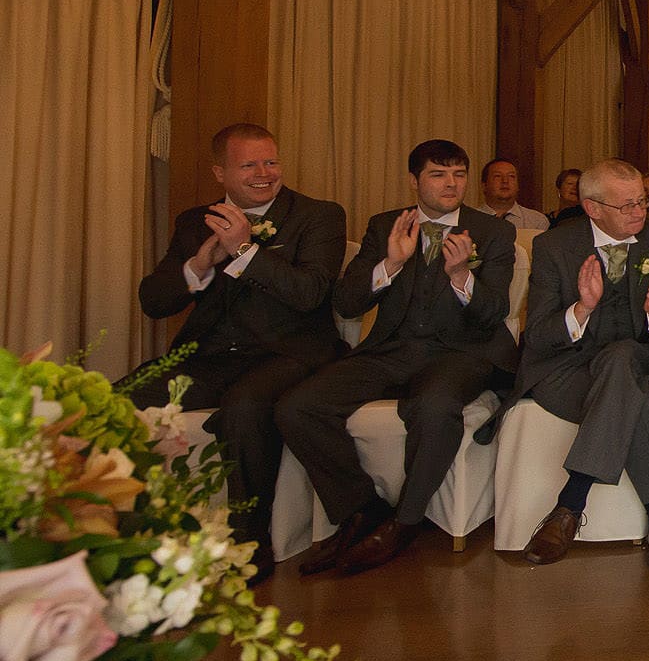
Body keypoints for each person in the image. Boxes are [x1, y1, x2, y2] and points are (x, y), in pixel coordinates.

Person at [276, 141, 518, 574]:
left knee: (435, 405)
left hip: (463, 351)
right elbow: (348, 303)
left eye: (459, 175)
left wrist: (462, 276)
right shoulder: (385, 225)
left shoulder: (492, 232)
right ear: (414, 181)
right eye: (438, 175)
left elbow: (493, 314)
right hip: (392, 348)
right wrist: (389, 264)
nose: (451, 184)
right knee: (297, 406)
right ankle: (361, 508)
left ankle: (404, 522)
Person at [128, 124, 346, 584]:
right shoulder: (195, 222)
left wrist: (245, 250)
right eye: (249, 165)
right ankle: (123, 531)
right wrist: (198, 266)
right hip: (209, 355)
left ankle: (250, 540)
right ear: (220, 173)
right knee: (120, 400)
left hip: (288, 352)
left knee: (245, 407)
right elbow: (154, 301)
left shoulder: (319, 215)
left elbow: (309, 293)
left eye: (271, 162)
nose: (264, 174)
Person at [503, 159, 649, 575]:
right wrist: (581, 309)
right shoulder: (556, 247)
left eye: (642, 201)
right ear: (592, 208)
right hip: (572, 367)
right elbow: (537, 334)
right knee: (635, 395)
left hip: (647, 355)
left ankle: (571, 502)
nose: (639, 212)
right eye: (626, 206)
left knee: (623, 356)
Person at [475, 158, 549, 232]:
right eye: (497, 176)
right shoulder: (470, 219)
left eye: (511, 176)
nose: (505, 181)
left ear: (518, 185)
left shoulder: (537, 221)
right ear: (484, 185)